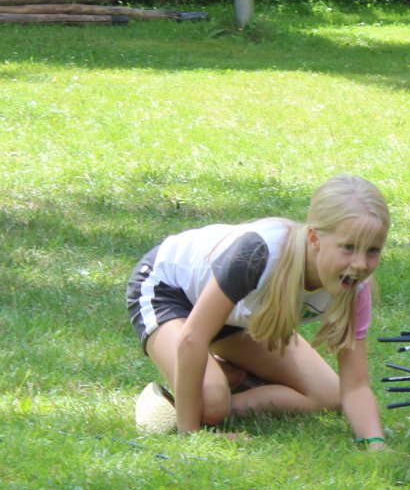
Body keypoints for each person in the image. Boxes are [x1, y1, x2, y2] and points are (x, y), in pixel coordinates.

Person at [126, 174, 392, 449]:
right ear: (314, 238)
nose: (360, 264)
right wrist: (191, 435)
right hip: (170, 293)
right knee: (212, 406)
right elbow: (193, 338)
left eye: (373, 251)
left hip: (234, 319)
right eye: (348, 247)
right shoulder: (261, 253)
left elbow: (356, 386)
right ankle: (211, 390)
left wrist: (375, 443)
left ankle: (232, 380)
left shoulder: (355, 285)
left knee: (329, 396)